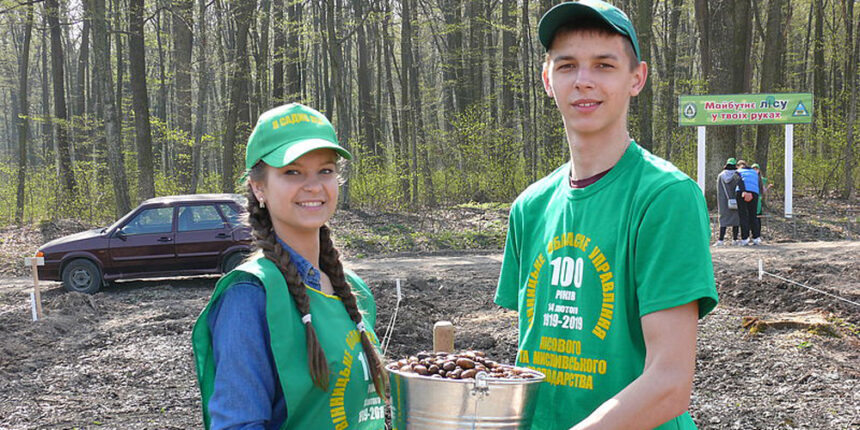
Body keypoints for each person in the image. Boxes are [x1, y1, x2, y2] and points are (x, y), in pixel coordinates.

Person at [494, 1, 718, 429]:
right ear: (547, 79)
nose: (583, 81)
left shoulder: (665, 197)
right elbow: (538, 354)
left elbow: (670, 381)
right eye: (567, 66)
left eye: (603, 65)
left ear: (637, 78)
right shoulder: (529, 206)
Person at [191, 103, 386, 430]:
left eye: (325, 170)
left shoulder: (354, 291)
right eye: (292, 172)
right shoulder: (250, 295)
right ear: (258, 187)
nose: (313, 186)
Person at [715, 158, 741, 245]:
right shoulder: (737, 175)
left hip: (724, 201)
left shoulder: (720, 176)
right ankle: (734, 239)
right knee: (736, 220)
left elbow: (719, 190)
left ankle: (721, 240)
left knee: (723, 219)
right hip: (735, 200)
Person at [735, 160, 761, 245]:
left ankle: (745, 238)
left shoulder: (738, 171)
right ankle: (756, 238)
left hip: (742, 192)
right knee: (753, 215)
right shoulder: (754, 172)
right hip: (755, 193)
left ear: (738, 166)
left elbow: (739, 181)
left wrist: (744, 191)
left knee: (743, 216)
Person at [751, 163, 771, 238]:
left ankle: (758, 234)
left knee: (758, 217)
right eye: (753, 169)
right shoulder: (750, 178)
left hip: (758, 199)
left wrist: (768, 188)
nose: (755, 170)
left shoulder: (762, 179)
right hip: (751, 198)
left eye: (756, 169)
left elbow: (763, 190)